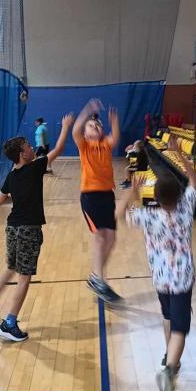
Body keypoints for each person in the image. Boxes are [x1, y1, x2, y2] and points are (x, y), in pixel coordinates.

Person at [0, 113, 74, 341]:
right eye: (28, 145)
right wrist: (66, 126)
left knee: (11, 267)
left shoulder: (12, 175)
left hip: (12, 227)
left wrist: (17, 199)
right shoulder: (36, 167)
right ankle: (9, 323)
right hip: (29, 228)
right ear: (22, 154)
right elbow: (58, 149)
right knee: (24, 276)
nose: (31, 147)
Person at [116, 155, 196, 391]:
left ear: (156, 197)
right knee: (180, 330)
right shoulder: (186, 207)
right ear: (179, 194)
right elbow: (194, 181)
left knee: (167, 316)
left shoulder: (148, 217)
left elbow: (119, 214)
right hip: (182, 279)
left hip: (161, 279)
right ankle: (170, 369)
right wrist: (182, 157)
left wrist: (132, 192)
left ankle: (168, 355)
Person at [72, 100, 122, 303]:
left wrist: (114, 121)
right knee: (100, 238)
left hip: (107, 196)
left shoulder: (105, 145)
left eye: (98, 125)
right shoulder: (84, 146)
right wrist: (87, 111)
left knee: (111, 239)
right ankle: (99, 280)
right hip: (90, 197)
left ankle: (95, 276)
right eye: (91, 126)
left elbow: (115, 137)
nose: (95, 126)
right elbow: (75, 129)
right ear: (85, 134)